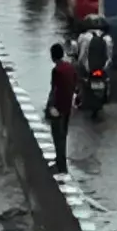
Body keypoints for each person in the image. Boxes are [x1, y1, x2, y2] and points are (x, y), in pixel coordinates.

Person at [46, 42, 76, 174]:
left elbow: (54, 90)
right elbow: (75, 84)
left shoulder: (56, 71)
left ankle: (61, 165)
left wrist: (49, 106)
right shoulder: (70, 67)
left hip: (58, 107)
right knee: (63, 135)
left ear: (53, 57)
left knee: (57, 136)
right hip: (68, 106)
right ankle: (60, 161)